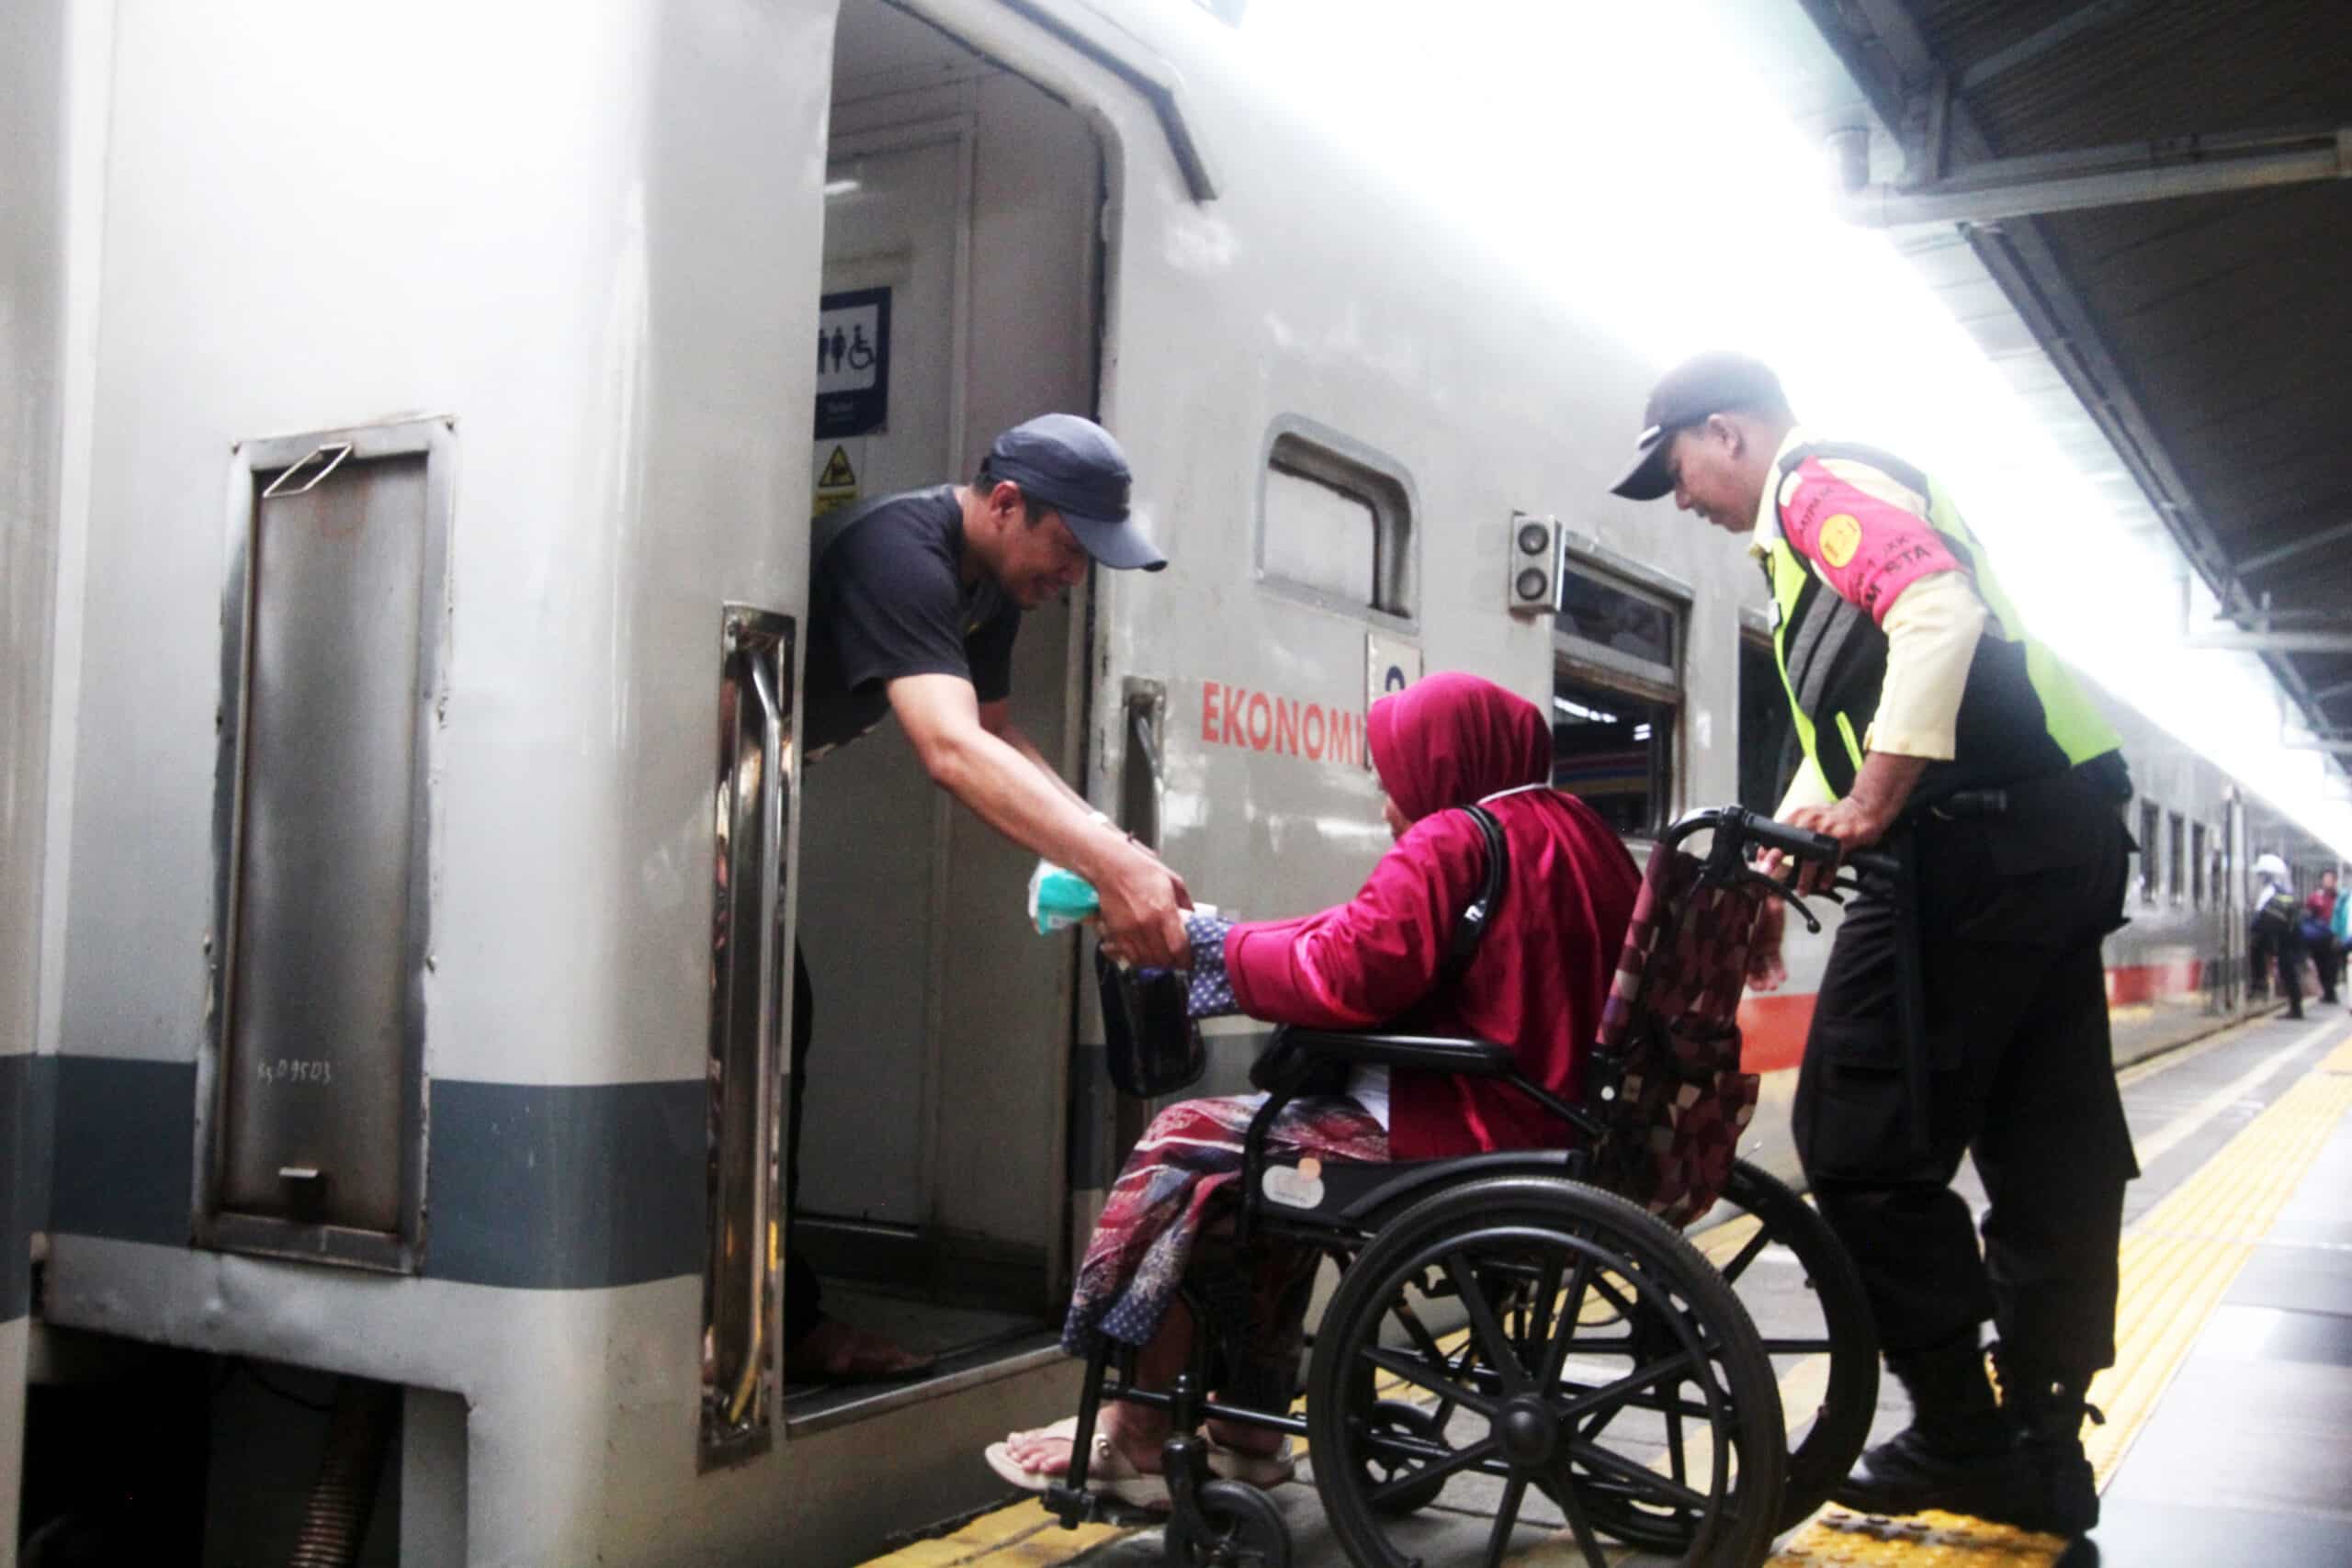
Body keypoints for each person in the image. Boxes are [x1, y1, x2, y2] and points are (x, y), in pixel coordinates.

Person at [1611, 352, 2135, 1537]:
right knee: (2046, 1140)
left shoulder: (1814, 490)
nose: (1683, 498)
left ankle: (1961, 1433)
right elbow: (1867, 704)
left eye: (1678, 468)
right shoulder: (1814, 549)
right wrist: (1813, 822)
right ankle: (2045, 1443)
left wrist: (1874, 806)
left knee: (1851, 1141)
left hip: (1970, 845)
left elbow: (1934, 612)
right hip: (2051, 836)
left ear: (1729, 433)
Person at [984, 673, 1641, 1502]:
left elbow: (1348, 968)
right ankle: (1250, 1430)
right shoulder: (1581, 837)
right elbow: (1373, 937)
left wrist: (1198, 949)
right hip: (1553, 1126)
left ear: (1445, 762)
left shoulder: (1457, 839)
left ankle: (1137, 1427)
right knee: (1274, 1168)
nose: (1388, 807)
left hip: (1463, 1128)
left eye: (1394, 778)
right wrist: (1225, 934)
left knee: (1187, 1141)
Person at [787, 413, 1189, 1383]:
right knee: (744, 1054)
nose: (1075, 576)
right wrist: (1110, 867)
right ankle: (730, 1324)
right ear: (1006, 504)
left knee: (780, 1026)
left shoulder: (989, 587)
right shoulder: (899, 550)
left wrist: (1115, 845)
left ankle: (787, 1313)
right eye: (1070, 547)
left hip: (726, 810)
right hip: (657, 812)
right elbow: (949, 749)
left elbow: (997, 734)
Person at [2250, 852, 2304, 1019]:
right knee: (2289, 972)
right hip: (2289, 936)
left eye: (2261, 875)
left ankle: (2295, 1008)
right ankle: (2295, 1007)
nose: (2259, 878)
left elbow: (2260, 916)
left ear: (2266, 875)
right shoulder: (2284, 891)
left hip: (2280, 939)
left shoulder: (2269, 891)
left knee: (2288, 972)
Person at [2301, 867, 2338, 1005]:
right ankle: (2326, 990)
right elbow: (2307, 913)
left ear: (2335, 881)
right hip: (2318, 937)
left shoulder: (2339, 897)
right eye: (2326, 879)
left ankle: (2330, 992)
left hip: (2333, 936)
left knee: (2332, 964)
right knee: (2320, 963)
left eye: (2331, 879)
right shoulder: (2315, 897)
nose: (2328, 881)